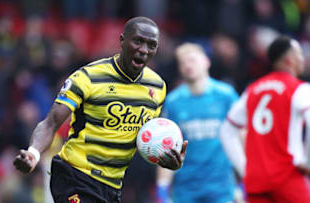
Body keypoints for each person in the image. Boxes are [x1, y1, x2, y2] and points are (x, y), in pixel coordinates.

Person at [13, 16, 188, 203]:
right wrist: (33, 153)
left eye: (151, 45)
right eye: (138, 41)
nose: (143, 50)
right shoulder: (88, 77)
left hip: (112, 185)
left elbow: (141, 138)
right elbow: (51, 123)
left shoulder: (157, 88)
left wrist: (164, 156)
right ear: (122, 41)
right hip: (75, 176)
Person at [220, 36, 310, 203]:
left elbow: (227, 130)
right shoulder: (299, 88)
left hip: (257, 180)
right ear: (289, 60)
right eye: (299, 54)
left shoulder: (252, 90)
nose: (303, 58)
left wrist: (243, 167)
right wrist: (309, 162)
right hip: (288, 175)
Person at [156, 43, 239, 203]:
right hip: (185, 189)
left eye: (192, 60)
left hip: (221, 187)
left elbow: (241, 138)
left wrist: (243, 181)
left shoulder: (226, 96)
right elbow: (167, 147)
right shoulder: (173, 102)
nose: (188, 66)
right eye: (183, 63)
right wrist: (162, 189)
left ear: (206, 62)